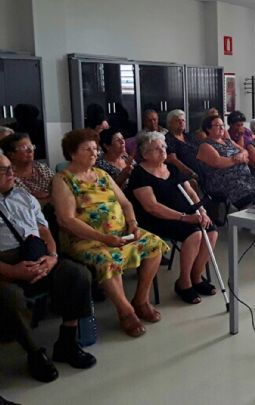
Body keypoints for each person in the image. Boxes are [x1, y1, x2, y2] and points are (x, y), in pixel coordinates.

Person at [52, 129, 167, 338]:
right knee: (108, 260)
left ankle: (141, 300)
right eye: (87, 149)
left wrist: (132, 224)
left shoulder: (102, 175)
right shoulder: (63, 180)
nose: (94, 153)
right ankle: (126, 312)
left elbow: (125, 203)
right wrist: (104, 238)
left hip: (120, 232)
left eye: (95, 149)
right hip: (85, 239)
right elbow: (66, 220)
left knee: (154, 244)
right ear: (72, 153)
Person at [0, 154, 96, 383]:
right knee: (10, 297)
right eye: (3, 170)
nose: (11, 173)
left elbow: (44, 231)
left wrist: (52, 256)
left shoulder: (23, 195)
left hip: (38, 254)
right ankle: (34, 353)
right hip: (5, 264)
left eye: (9, 167)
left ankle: (67, 341)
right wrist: (12, 272)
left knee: (77, 274)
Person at [128, 132, 218, 305]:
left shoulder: (172, 168)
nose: (162, 151)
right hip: (156, 219)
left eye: (163, 146)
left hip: (186, 214)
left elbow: (191, 192)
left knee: (211, 231)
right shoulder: (139, 174)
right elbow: (151, 207)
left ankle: (196, 277)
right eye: (156, 148)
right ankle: (184, 282)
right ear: (145, 153)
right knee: (195, 234)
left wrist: (202, 211)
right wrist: (185, 218)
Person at [197, 116, 255, 209]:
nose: (222, 128)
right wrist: (238, 159)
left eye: (222, 125)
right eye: (217, 125)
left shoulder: (228, 141)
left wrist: (241, 155)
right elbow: (218, 162)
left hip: (245, 179)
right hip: (227, 184)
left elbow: (245, 151)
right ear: (208, 128)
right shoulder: (205, 145)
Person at [0, 133, 54, 206]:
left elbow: (59, 189)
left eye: (31, 146)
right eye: (24, 148)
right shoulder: (8, 177)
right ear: (11, 154)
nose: (30, 150)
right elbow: (22, 205)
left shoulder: (41, 168)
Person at [164, 109, 200, 179]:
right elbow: (174, 161)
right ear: (169, 123)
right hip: (183, 175)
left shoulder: (189, 136)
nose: (181, 122)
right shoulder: (168, 139)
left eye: (183, 120)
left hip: (199, 169)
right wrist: (192, 173)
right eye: (177, 120)